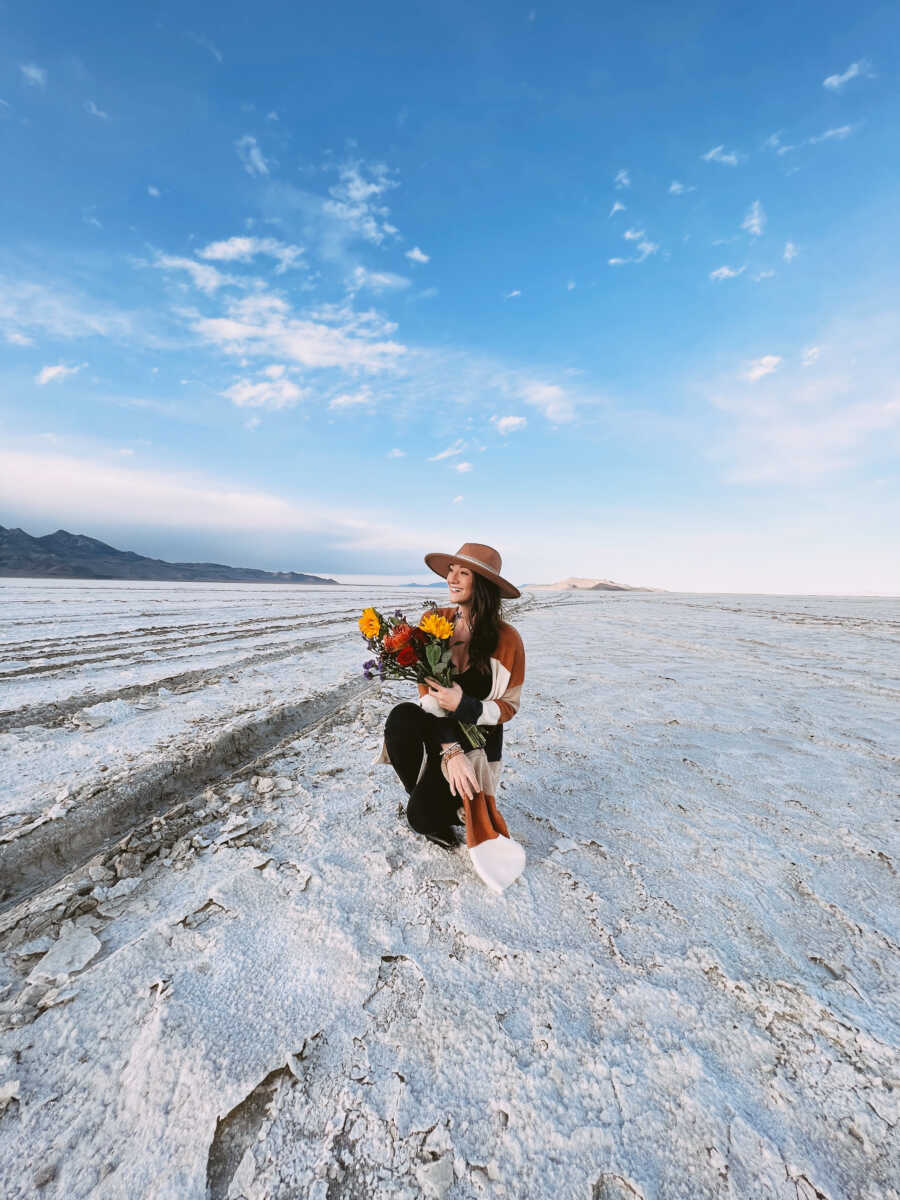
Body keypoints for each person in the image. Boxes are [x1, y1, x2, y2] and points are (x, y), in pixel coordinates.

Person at [373, 542, 527, 891]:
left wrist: (465, 706)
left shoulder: (507, 639)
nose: (451, 578)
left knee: (420, 819)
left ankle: (442, 806)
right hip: (437, 726)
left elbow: (508, 707)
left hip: (480, 736)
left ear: (483, 584)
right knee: (401, 717)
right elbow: (427, 696)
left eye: (463, 572)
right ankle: (429, 797)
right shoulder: (434, 621)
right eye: (450, 570)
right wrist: (450, 749)